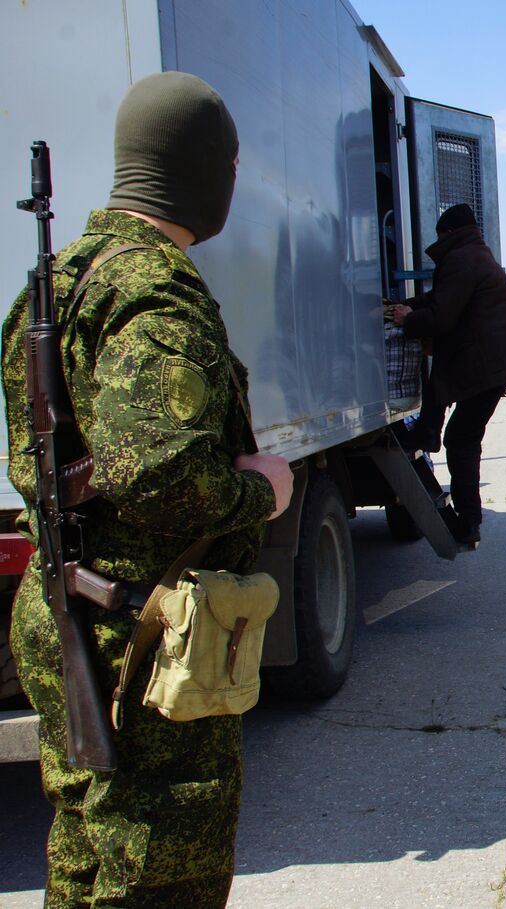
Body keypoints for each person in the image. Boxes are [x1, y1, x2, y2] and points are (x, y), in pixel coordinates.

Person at [0, 72, 294, 907]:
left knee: (87, 855)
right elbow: (155, 471)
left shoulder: (62, 280)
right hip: (138, 637)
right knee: (160, 873)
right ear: (200, 166)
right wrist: (261, 491)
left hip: (68, 606)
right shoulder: (155, 293)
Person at [392, 203, 506, 546]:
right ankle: (428, 431)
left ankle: (469, 521)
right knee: (447, 390)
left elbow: (442, 317)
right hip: (496, 359)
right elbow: (442, 298)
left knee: (461, 439)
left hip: (491, 362)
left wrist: (407, 319)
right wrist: (412, 305)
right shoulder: (473, 255)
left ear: (447, 233)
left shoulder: (460, 259)